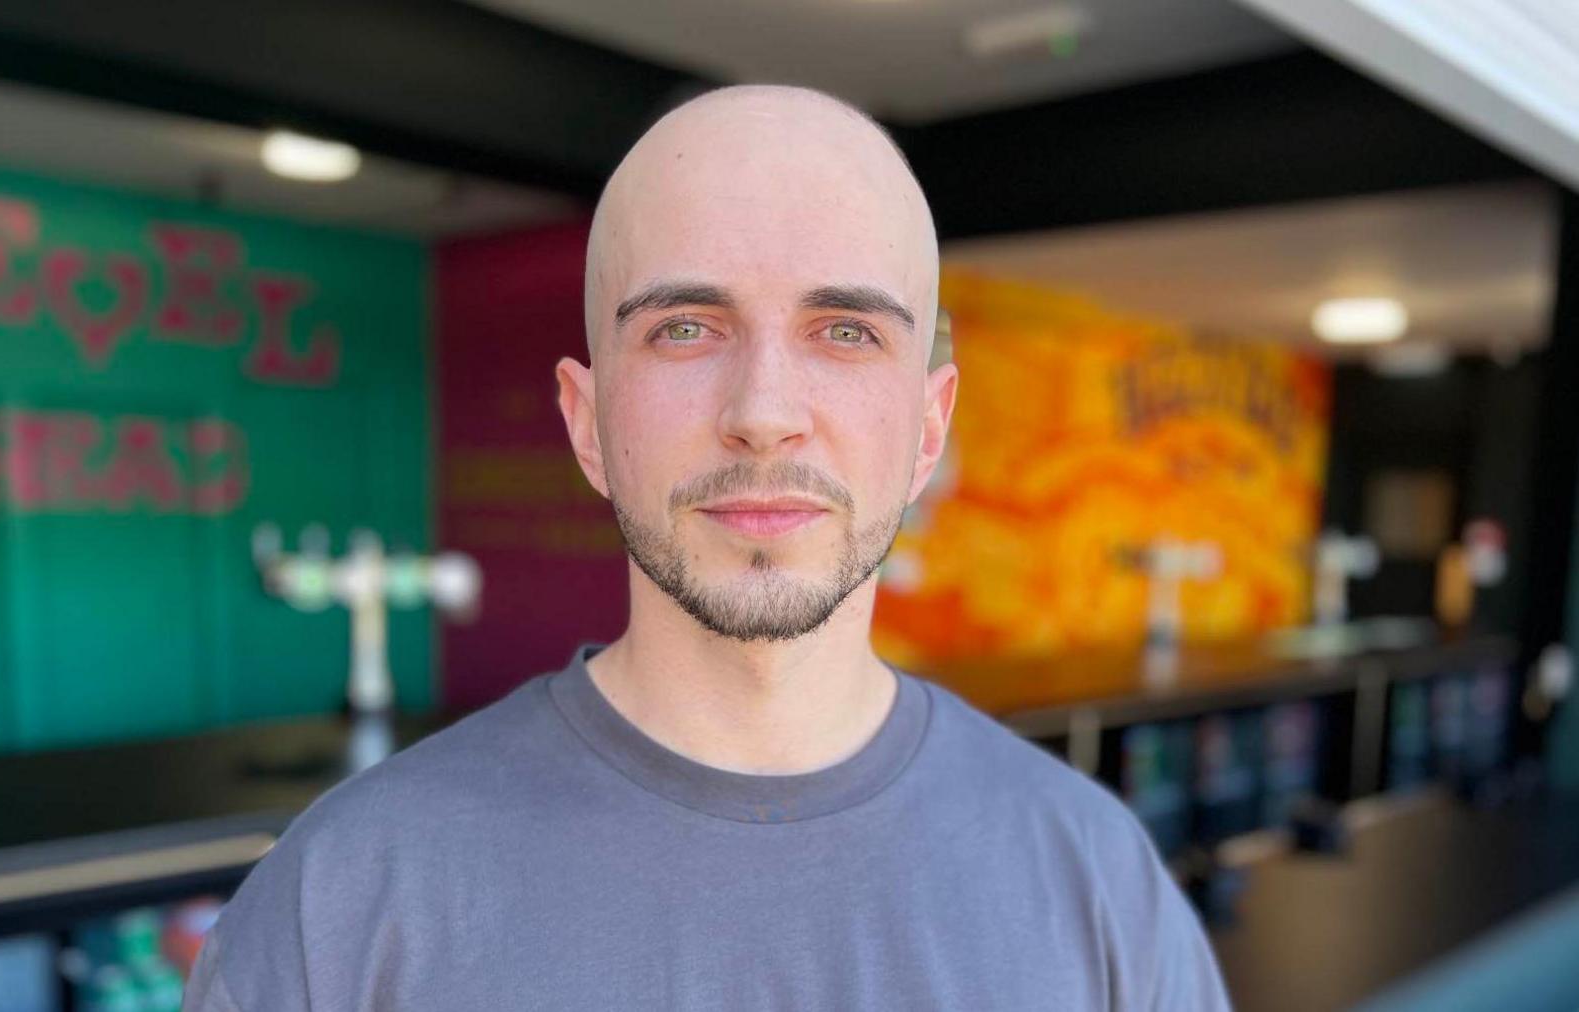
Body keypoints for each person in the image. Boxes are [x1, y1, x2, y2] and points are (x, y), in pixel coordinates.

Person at [183, 84, 1231, 1011]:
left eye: (846, 331)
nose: (764, 413)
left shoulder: (1102, 886)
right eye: (685, 327)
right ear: (587, 423)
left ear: (927, 426)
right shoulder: (342, 902)